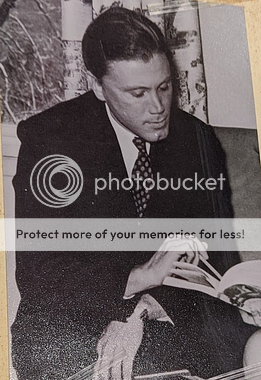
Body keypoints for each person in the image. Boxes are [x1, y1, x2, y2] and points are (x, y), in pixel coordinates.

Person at [11, 6, 258, 380]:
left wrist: (144, 307)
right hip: (70, 321)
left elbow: (217, 258)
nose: (158, 108)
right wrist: (142, 277)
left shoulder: (197, 141)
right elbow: (40, 275)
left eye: (164, 87)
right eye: (137, 93)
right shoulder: (50, 140)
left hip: (169, 313)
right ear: (97, 86)